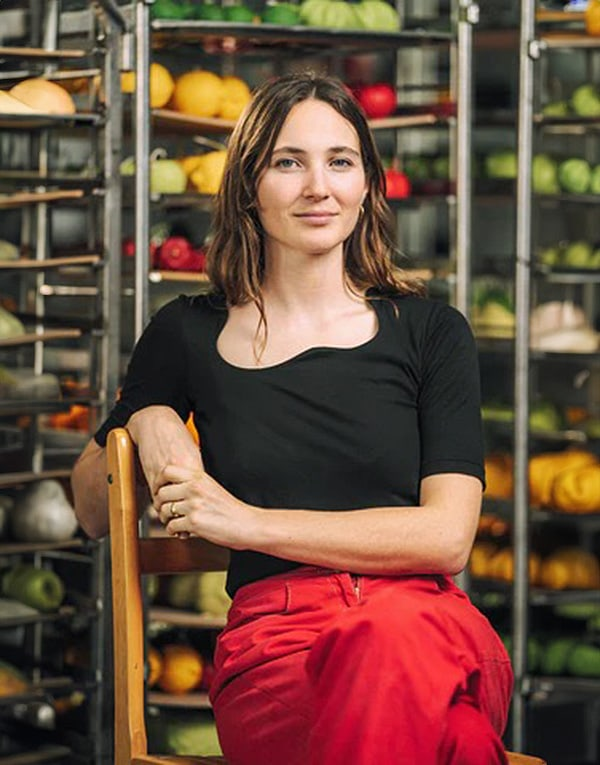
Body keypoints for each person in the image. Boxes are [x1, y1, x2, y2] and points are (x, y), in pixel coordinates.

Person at [72, 72, 513, 765]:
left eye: (341, 161)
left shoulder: (432, 331)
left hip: (428, 621)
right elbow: (94, 509)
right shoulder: (187, 332)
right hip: (279, 645)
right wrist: (147, 416)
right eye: (288, 162)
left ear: (367, 183)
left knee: (391, 635)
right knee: (455, 741)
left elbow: (446, 537)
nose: (319, 186)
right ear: (249, 184)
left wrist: (245, 522)